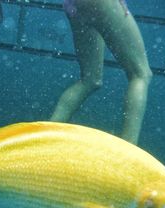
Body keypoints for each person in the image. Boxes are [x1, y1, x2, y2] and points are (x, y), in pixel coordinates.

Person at [51, 0, 152, 145]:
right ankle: (128, 147)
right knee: (141, 74)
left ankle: (48, 132)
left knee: (90, 80)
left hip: (73, 4)